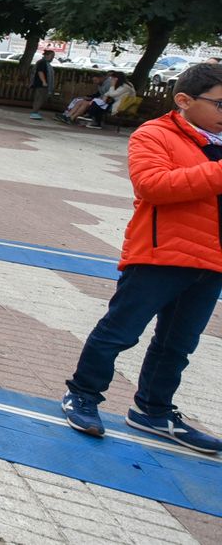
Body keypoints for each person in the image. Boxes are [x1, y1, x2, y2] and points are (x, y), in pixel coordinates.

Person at [59, 63, 222, 454]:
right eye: (220, 104)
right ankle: (83, 395)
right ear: (184, 101)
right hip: (161, 253)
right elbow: (153, 186)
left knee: (179, 343)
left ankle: (153, 410)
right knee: (120, 331)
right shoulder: (155, 134)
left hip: (212, 261)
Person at [29, 49, 56, 120]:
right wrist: (44, 82)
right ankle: (34, 112)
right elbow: (40, 72)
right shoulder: (42, 63)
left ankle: (35, 112)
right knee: (39, 98)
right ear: (47, 55)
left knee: (39, 98)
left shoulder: (44, 63)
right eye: (52, 56)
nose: (53, 58)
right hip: (41, 84)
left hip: (41, 84)